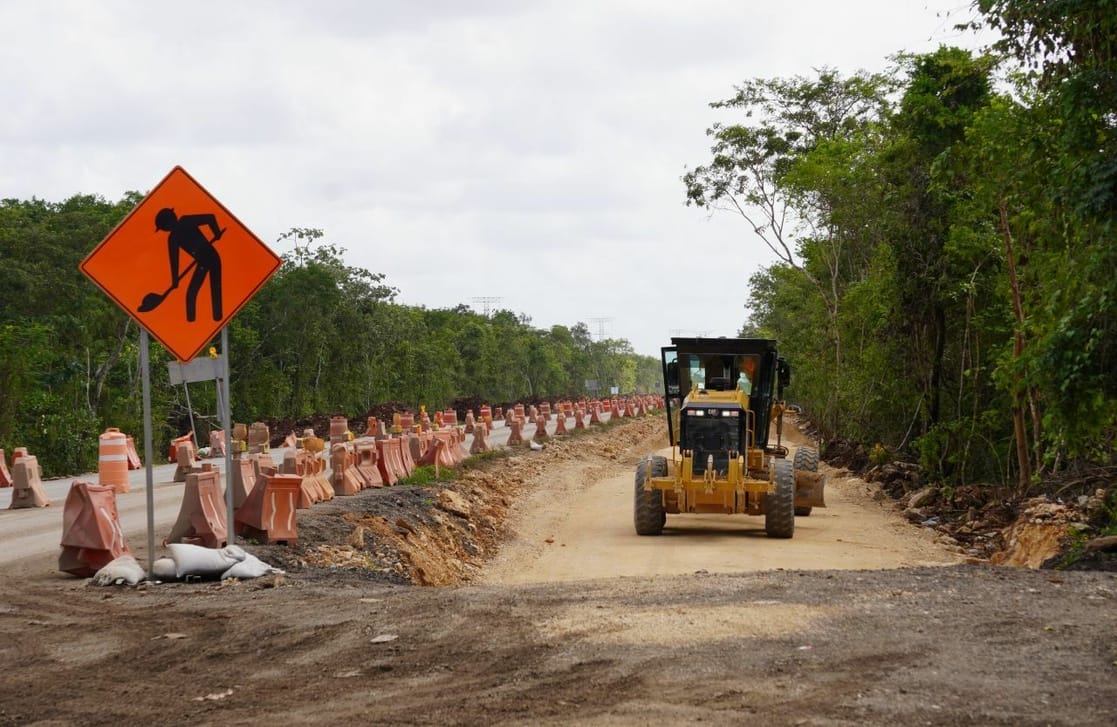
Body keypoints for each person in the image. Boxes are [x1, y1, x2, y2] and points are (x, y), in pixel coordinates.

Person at [155, 207, 224, 322]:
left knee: (213, 288)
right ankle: (193, 321)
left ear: (167, 224)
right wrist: (175, 280)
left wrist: (217, 233)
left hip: (211, 257)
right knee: (192, 293)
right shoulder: (173, 237)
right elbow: (174, 261)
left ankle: (216, 318)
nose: (164, 229)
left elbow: (210, 218)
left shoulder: (185, 222)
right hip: (204, 261)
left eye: (163, 227)